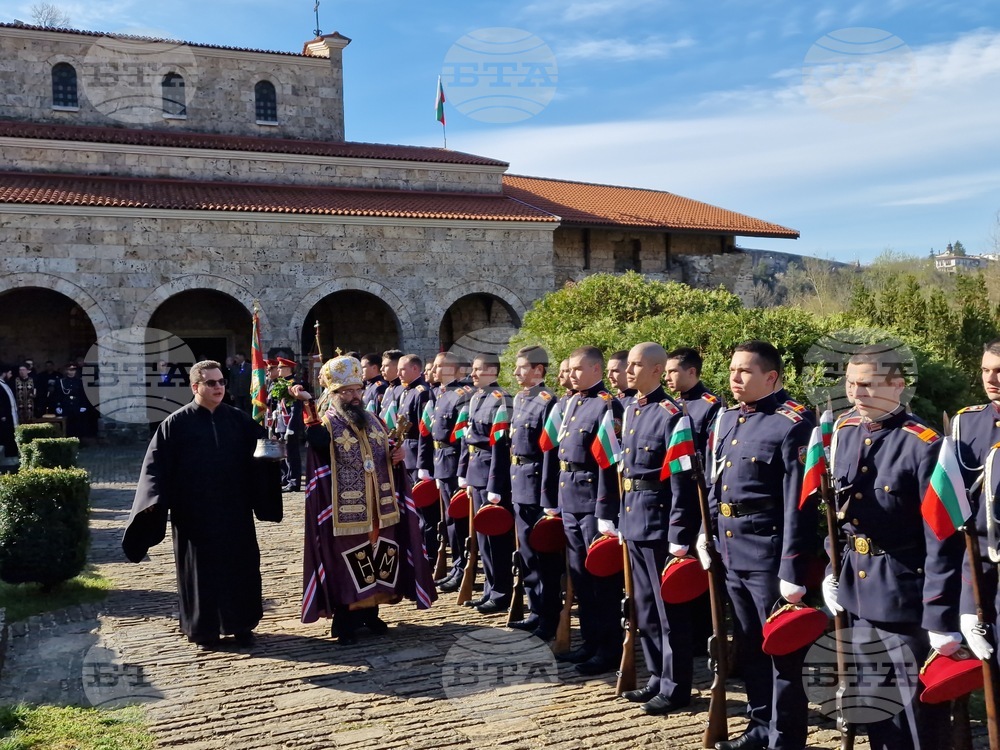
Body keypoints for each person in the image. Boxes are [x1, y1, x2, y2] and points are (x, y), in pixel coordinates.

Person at [823, 346, 964, 750]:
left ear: (898, 386)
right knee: (874, 704)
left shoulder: (923, 444)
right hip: (858, 589)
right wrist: (834, 566)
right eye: (850, 384)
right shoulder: (846, 430)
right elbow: (838, 511)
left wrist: (939, 615)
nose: (855, 393)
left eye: (866, 384)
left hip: (904, 596)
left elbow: (942, 537)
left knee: (913, 715)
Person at [122, 360, 283, 648]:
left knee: (240, 568)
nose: (219, 387)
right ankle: (203, 630)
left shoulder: (239, 420)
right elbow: (154, 467)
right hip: (194, 515)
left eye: (221, 382)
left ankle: (242, 625)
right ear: (195, 387)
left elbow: (261, 455)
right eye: (211, 383)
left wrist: (271, 457)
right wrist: (153, 500)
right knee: (201, 574)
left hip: (235, 512)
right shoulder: (175, 424)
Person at [707, 340, 816, 750]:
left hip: (770, 555)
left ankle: (785, 739)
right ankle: (759, 728)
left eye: (745, 371)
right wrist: (710, 533)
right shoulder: (730, 419)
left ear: (771, 377)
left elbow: (797, 503)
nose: (735, 378)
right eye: (733, 369)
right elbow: (718, 484)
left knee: (782, 653)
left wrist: (792, 567)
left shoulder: (792, 423)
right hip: (733, 550)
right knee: (751, 647)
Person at [297, 355, 436, 644]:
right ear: (333, 394)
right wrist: (307, 404)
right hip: (345, 509)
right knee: (349, 561)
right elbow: (318, 445)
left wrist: (398, 456)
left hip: (380, 506)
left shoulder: (373, 420)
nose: (354, 396)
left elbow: (388, 451)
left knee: (381, 556)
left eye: (357, 389)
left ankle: (371, 612)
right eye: (346, 391)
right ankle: (346, 620)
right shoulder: (327, 422)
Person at [617, 342, 700, 714]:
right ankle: (655, 677)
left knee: (670, 615)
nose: (628, 371)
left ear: (655, 370)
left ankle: (676, 685)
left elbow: (682, 482)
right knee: (645, 608)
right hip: (634, 517)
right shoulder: (633, 409)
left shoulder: (672, 416)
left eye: (635, 365)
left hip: (658, 521)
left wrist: (679, 534)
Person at [543, 346, 625, 675]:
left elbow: (609, 463)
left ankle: (608, 647)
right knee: (579, 576)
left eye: (578, 369)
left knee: (601, 580)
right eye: (570, 369)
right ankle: (590, 642)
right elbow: (557, 454)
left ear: (596, 370)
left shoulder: (607, 404)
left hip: (592, 500)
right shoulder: (571, 403)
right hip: (570, 497)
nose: (572, 375)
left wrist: (606, 510)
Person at [506, 345, 562, 640]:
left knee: (546, 559)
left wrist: (548, 498)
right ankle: (535, 610)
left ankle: (549, 617)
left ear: (538, 370)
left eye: (522, 368)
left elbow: (549, 454)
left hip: (539, 486)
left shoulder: (547, 402)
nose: (516, 373)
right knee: (527, 554)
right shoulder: (520, 398)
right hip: (519, 484)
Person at [457, 353, 515, 614]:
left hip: (491, 474)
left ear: (492, 372)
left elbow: (498, 446)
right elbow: (466, 440)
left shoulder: (500, 399)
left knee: (496, 539)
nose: (474, 374)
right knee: (482, 538)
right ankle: (490, 589)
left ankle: (502, 592)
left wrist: (494, 485)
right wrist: (466, 475)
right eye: (473, 369)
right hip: (476, 471)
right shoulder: (476, 397)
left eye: (479, 369)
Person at [954, 338, 1000, 663]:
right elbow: (957, 516)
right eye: (985, 369)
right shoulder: (966, 424)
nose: (990, 379)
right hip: (981, 568)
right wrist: (968, 604)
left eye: (999, 371)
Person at [427, 351, 473, 592]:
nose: (433, 370)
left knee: (459, 519)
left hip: (455, 463)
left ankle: (464, 565)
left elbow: (464, 438)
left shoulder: (461, 396)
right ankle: (457, 565)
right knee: (449, 520)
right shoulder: (442, 394)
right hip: (441, 461)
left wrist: (463, 470)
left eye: (438, 366)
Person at [397, 354, 436, 560]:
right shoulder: (406, 392)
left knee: (425, 512)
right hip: (406, 456)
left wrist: (423, 464)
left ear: (415, 369)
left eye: (403, 369)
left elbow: (424, 432)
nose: (399, 373)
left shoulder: (422, 393)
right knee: (412, 509)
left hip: (417, 457)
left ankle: (429, 555)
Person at [665, 347, 723, 461]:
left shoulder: (712, 406)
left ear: (691, 371)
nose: (667, 378)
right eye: (666, 372)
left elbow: (713, 452)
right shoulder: (674, 404)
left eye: (673, 371)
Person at [274, 357, 305, 492]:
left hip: (290, 424)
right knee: (286, 454)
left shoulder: (293, 384)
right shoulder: (283, 383)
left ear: (288, 369)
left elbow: (296, 408)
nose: (278, 370)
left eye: (281, 367)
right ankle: (288, 478)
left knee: (292, 454)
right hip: (283, 423)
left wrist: (291, 427)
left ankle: (294, 481)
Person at [53, 363, 96, 440]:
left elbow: (83, 395)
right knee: (67, 425)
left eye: (73, 370)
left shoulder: (80, 382)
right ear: (66, 371)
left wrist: (84, 405)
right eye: (70, 370)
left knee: (78, 425)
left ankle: (79, 441)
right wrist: (58, 406)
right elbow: (57, 395)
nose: (72, 372)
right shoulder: (61, 382)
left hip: (77, 406)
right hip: (66, 406)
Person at [0, 365, 16, 459]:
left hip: (9, 415)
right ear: (4, 373)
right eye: (9, 373)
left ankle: (11, 454)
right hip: (4, 417)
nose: (10, 375)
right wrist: (2, 414)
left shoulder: (4, 384)